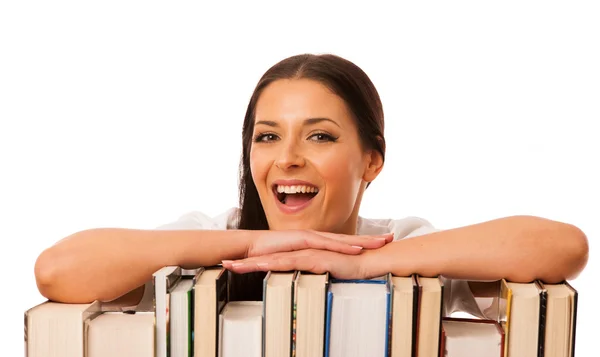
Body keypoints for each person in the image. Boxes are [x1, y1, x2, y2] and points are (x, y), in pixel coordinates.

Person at [34, 53, 589, 315]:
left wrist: (360, 263)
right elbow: (57, 271)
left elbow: (563, 247)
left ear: (372, 161)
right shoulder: (213, 238)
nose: (288, 159)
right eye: (268, 137)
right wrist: (251, 244)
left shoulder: (401, 246)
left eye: (320, 137)